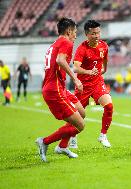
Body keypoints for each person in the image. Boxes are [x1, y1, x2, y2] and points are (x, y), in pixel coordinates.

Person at [35, 17, 85, 162]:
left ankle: (62, 146)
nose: (76, 35)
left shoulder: (54, 44)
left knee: (81, 113)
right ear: (69, 31)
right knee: (80, 125)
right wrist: (75, 78)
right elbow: (60, 60)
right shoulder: (66, 42)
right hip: (55, 90)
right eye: (75, 32)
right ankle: (44, 141)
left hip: (58, 87)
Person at [71, 20, 113, 148]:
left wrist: (103, 70)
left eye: (98, 32)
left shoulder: (104, 46)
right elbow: (76, 68)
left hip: (97, 83)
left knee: (109, 106)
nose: (97, 36)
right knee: (76, 114)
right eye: (94, 33)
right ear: (87, 34)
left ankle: (103, 136)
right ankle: (73, 136)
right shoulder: (82, 49)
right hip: (82, 85)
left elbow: (105, 60)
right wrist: (89, 72)